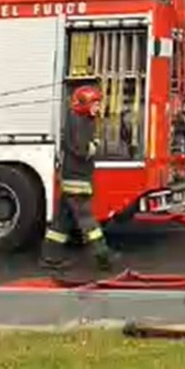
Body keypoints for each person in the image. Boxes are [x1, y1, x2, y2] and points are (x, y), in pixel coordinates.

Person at [40, 82, 115, 271]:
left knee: (61, 223)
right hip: (77, 179)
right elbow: (81, 149)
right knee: (87, 220)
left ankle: (49, 257)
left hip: (73, 177)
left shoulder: (80, 119)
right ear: (84, 104)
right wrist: (95, 145)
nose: (98, 108)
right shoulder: (79, 122)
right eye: (95, 104)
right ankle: (103, 256)